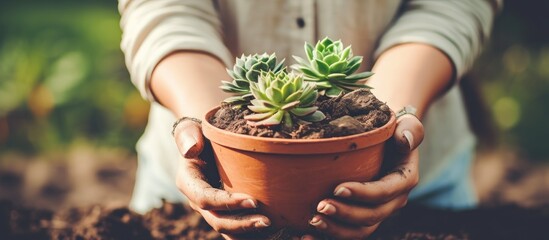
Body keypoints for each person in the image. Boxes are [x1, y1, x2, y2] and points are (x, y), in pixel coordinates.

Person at [118, 0, 500, 239]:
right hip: (185, 202)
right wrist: (205, 131)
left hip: (419, 194)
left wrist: (393, 114)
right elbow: (162, 9)